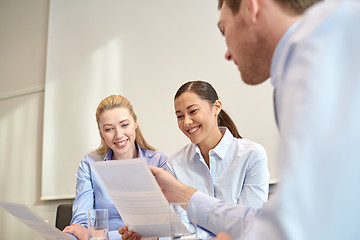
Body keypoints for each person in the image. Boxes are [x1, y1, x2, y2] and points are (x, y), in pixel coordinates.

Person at [147, 0, 360, 239]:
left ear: (251, 7)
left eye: (223, 30)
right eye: (179, 115)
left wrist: (187, 198)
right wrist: (183, 197)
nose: (227, 53)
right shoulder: (296, 71)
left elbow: (301, 223)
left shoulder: (319, 64)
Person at [119, 80, 269, 240]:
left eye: (193, 111)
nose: (187, 122)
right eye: (179, 116)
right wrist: (150, 236)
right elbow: (179, 230)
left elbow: (248, 227)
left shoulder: (252, 155)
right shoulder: (175, 163)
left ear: (216, 107)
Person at [63, 95, 168, 240]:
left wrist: (103, 235)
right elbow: (80, 225)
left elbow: (166, 229)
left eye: (124, 125)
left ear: (135, 122)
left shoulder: (160, 162)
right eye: (109, 129)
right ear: (101, 132)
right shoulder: (89, 163)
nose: (118, 135)